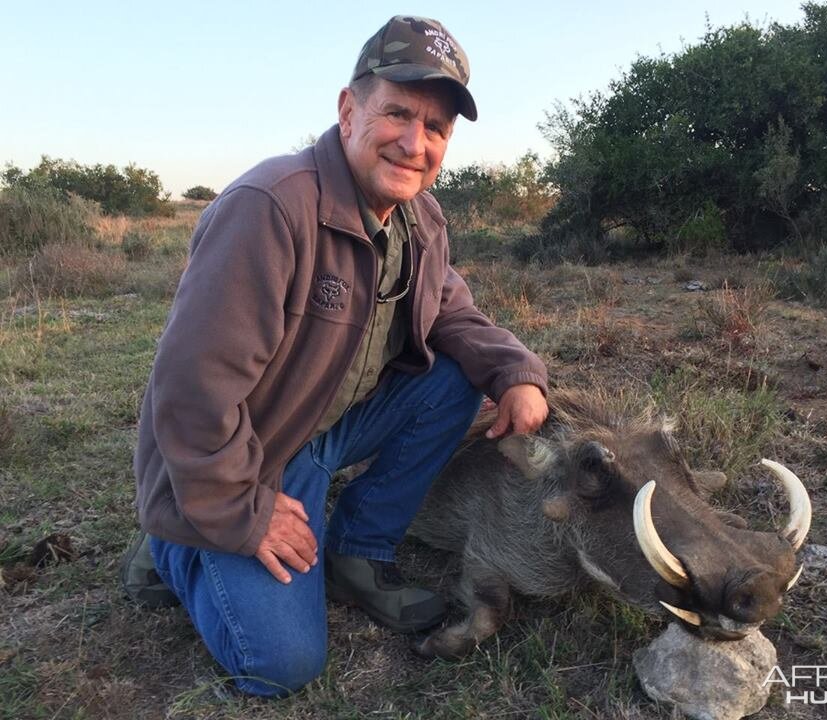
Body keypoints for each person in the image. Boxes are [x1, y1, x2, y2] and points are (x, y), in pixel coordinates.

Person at [121, 16, 548, 697]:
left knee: (453, 381)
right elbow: (191, 393)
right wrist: (241, 508)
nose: (415, 143)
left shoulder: (421, 219)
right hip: (245, 458)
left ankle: (358, 551)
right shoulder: (269, 207)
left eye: (436, 127)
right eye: (398, 113)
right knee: (280, 664)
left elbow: (452, 313)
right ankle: (176, 540)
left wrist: (516, 373)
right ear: (349, 110)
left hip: (317, 437)